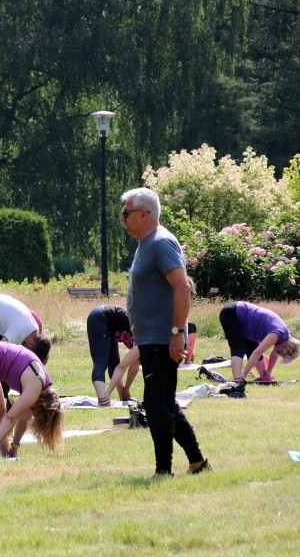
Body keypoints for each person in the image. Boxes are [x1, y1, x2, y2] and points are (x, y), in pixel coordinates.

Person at [121, 187, 209, 477]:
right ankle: (197, 461)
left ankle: (163, 470)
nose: (123, 219)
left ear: (144, 213)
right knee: (163, 402)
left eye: (126, 213)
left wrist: (176, 333)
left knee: (158, 408)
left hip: (162, 339)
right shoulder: (146, 243)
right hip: (151, 339)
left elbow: (183, 287)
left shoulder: (161, 242)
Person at [218, 301, 299, 382]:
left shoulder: (286, 337)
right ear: (285, 346)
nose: (276, 351)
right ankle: (237, 381)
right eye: (279, 352)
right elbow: (257, 353)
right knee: (238, 347)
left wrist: (268, 373)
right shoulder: (276, 334)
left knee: (252, 348)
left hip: (244, 321)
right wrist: (243, 376)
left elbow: (273, 355)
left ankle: (263, 378)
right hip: (232, 313)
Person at [87, 305, 137, 406]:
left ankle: (122, 396)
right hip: (99, 318)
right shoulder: (144, 337)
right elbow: (123, 367)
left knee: (113, 362)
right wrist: (109, 392)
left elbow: (134, 366)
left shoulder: (145, 340)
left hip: (111, 327)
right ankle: (103, 400)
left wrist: (126, 392)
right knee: (101, 362)